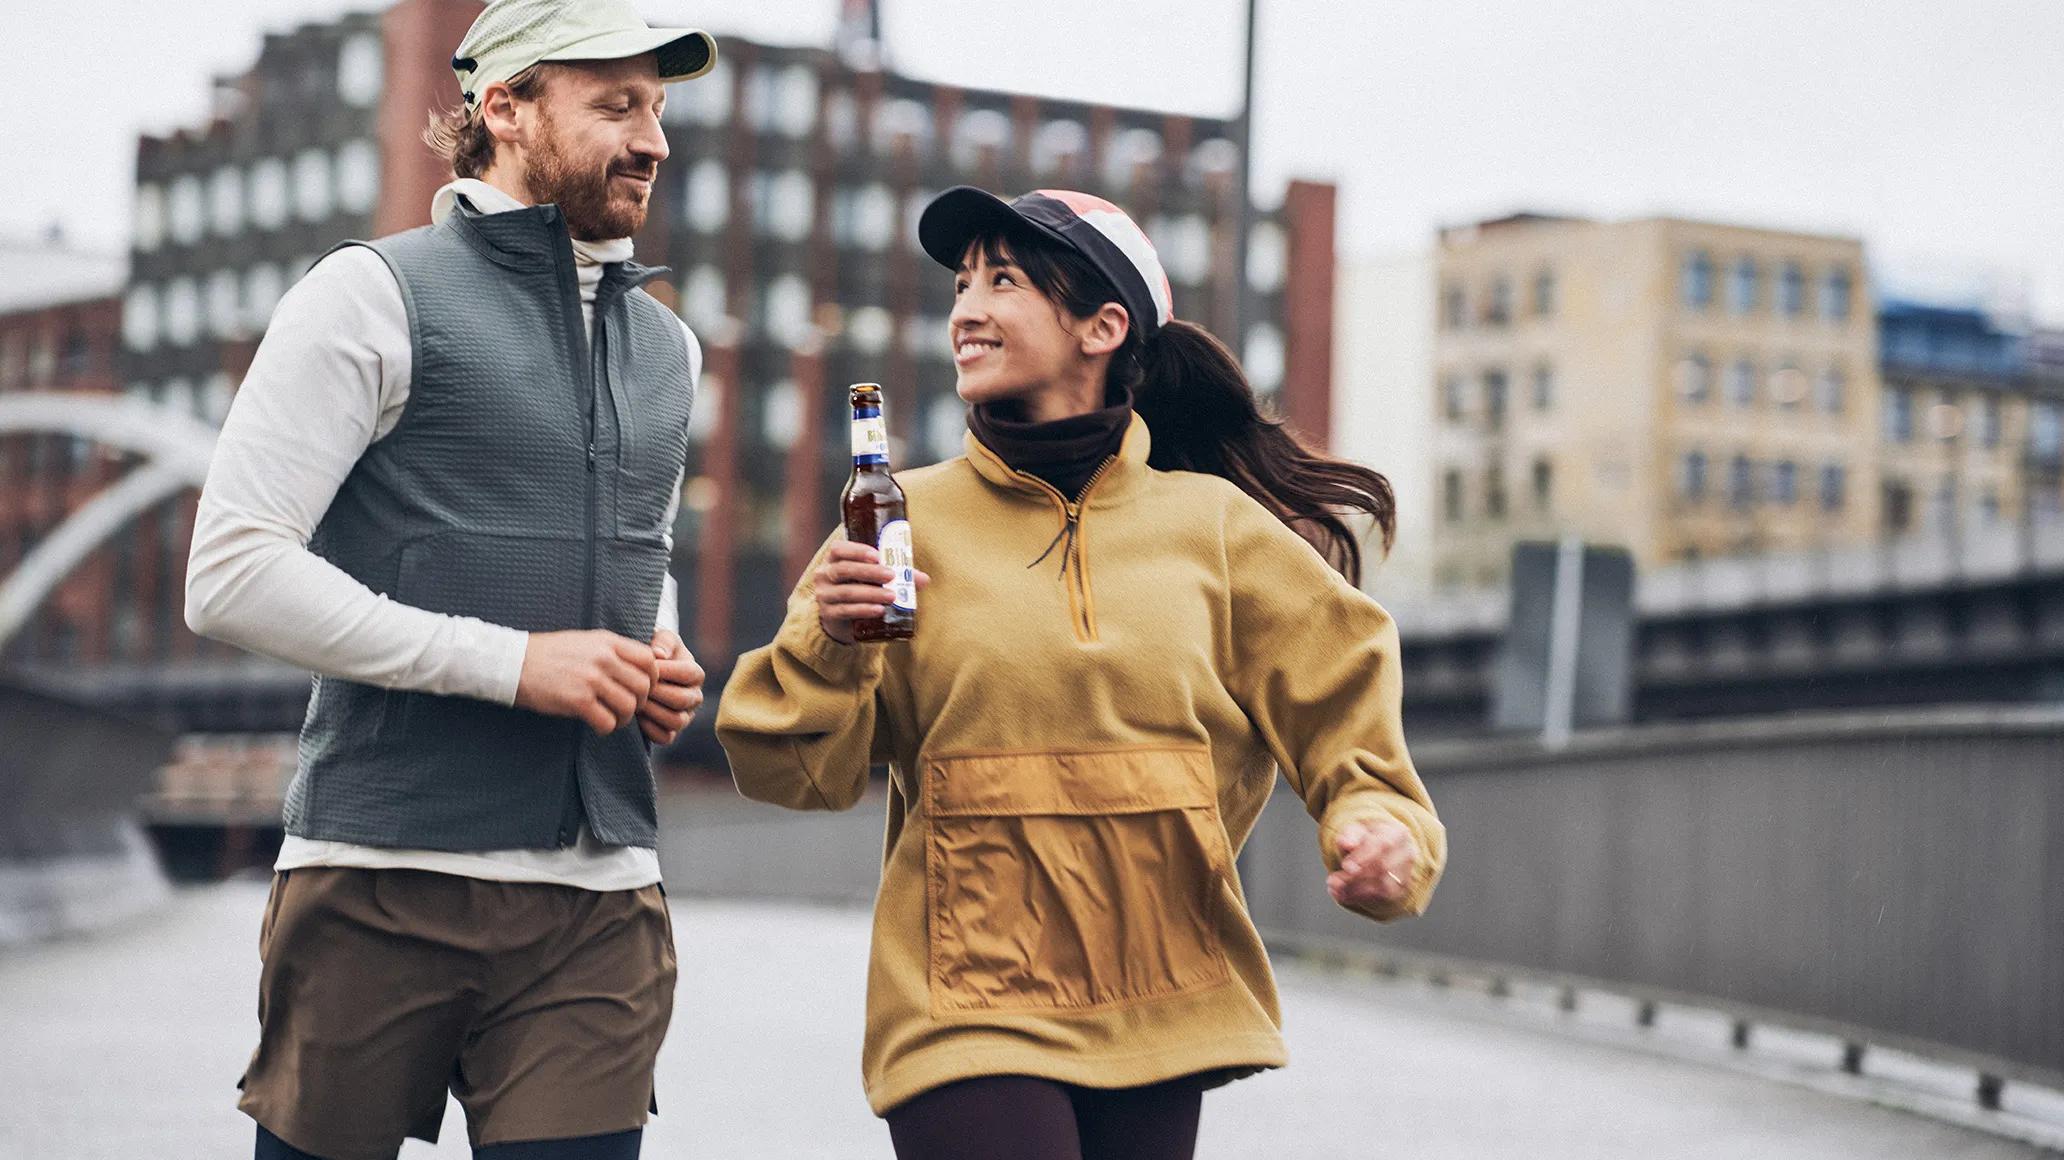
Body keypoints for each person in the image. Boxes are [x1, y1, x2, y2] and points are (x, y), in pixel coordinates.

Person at [714, 186, 1448, 1160]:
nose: (966, 307)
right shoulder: (897, 522)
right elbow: (790, 769)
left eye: (1003, 280)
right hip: (963, 1000)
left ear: (1104, 326)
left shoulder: (1217, 531)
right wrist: (830, 645)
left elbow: (1347, 714)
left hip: (1160, 997)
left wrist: (1379, 826)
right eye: (963, 282)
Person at [184, 1, 716, 1155]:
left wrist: (658, 649)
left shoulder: (672, 350)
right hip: (378, 879)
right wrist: (513, 663)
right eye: (616, 103)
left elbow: (644, 550)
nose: (654, 140)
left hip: (600, 895)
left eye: (661, 109)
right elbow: (227, 572)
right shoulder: (368, 294)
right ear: (504, 106)